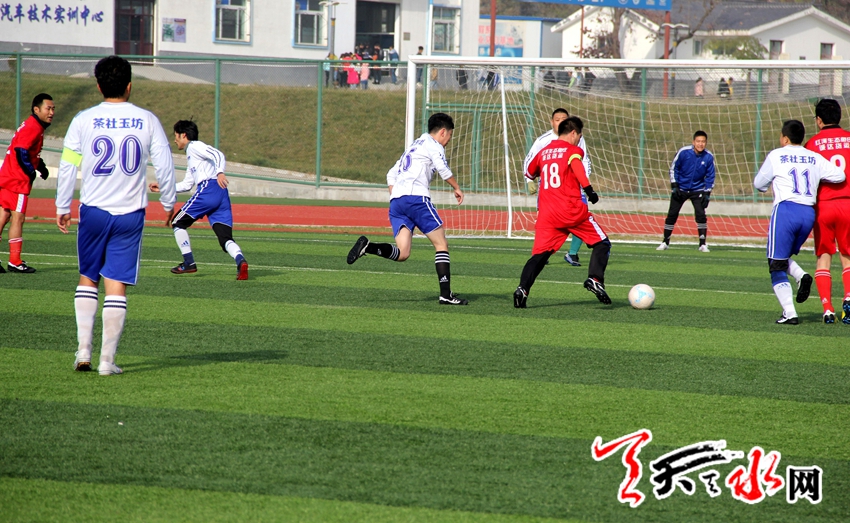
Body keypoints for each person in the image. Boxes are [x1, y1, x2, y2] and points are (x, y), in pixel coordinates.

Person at [55, 55, 177, 375]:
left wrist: (62, 205)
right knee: (117, 283)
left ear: (98, 86)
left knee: (88, 277)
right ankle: (107, 361)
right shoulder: (147, 119)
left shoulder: (82, 119)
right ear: (129, 85)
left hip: (93, 211)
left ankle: (83, 351)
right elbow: (164, 163)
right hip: (130, 214)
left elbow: (68, 164)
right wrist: (168, 201)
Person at [346, 113, 467, 305]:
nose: (448, 141)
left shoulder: (414, 146)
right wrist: (457, 188)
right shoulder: (433, 145)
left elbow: (391, 174)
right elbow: (443, 169)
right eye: (450, 135)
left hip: (397, 202)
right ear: (443, 132)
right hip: (415, 199)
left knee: (403, 253)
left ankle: (368, 247)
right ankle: (446, 294)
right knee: (441, 244)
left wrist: (397, 194)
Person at [754, 119, 845, 324]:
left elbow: (759, 183)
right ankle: (800, 276)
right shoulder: (814, 157)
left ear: (785, 138)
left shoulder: (777, 155)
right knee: (781, 257)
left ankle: (790, 312)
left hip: (786, 211)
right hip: (808, 213)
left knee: (775, 264)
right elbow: (839, 175)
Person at [514, 116, 611, 308]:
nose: (579, 139)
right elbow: (577, 167)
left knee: (540, 256)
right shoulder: (573, 151)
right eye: (579, 136)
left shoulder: (543, 151)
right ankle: (595, 279)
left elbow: (530, 172)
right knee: (602, 243)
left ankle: (522, 289)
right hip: (570, 210)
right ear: (573, 133)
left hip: (547, 214)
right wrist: (589, 190)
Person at [149, 120, 248, 280]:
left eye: (176, 136)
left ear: (184, 135)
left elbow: (218, 154)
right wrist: (164, 187)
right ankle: (240, 261)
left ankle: (189, 263)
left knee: (177, 222)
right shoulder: (192, 157)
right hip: (221, 195)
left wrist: (220, 172)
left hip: (209, 189)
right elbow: (187, 184)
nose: (175, 140)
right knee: (225, 238)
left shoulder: (195, 146)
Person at [522, 108, 592, 267]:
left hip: (573, 187)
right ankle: (541, 253)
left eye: (564, 119)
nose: (560, 122)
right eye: (557, 119)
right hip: (550, 190)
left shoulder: (577, 138)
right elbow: (530, 160)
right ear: (551, 122)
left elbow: (584, 159)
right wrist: (529, 180)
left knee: (582, 214)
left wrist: (584, 180)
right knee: (545, 221)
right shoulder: (543, 140)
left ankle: (572, 253)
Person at [804, 99, 850, 324]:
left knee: (824, 257)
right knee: (847, 257)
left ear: (819, 120)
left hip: (823, 205)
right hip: (848, 204)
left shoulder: (812, 144)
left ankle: (827, 309)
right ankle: (848, 298)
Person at [0, 93, 54, 273]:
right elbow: (21, 151)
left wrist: (41, 167)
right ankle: (15, 261)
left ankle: (13, 261)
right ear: (36, 109)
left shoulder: (33, 125)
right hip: (17, 179)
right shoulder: (34, 127)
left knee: (3, 215)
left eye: (53, 109)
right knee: (18, 218)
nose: (51, 112)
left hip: (8, 174)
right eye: (48, 108)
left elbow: (29, 151)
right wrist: (30, 171)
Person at [657, 130, 716, 252]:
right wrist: (674, 185)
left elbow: (711, 175)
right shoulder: (683, 152)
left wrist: (707, 192)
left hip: (698, 189)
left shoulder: (709, 156)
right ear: (693, 142)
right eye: (698, 141)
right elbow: (674, 168)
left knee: (701, 215)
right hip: (681, 188)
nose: (700, 144)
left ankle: (702, 244)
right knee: (672, 214)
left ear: (706, 143)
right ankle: (665, 242)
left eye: (703, 142)